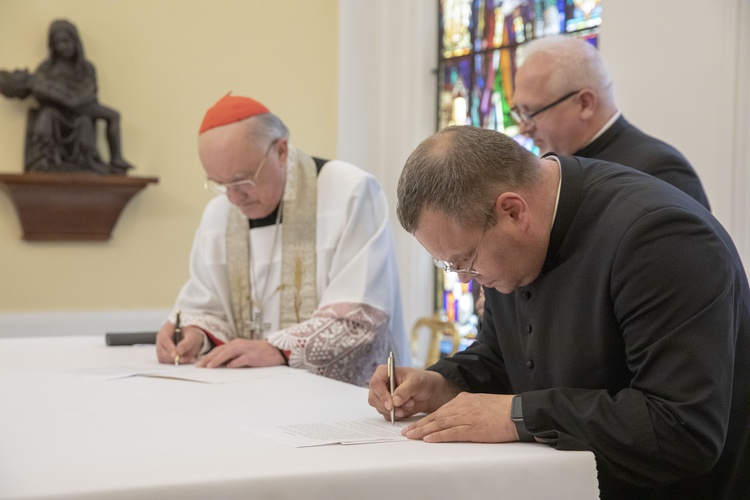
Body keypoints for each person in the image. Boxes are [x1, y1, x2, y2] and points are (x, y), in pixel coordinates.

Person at [368, 125, 749, 499]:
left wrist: (519, 415)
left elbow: (681, 429)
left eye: (465, 260)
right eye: (450, 267)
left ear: (513, 211)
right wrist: (442, 384)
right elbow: (502, 357)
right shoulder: (512, 247)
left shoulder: (660, 238)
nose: (467, 281)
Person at [155, 93, 410, 387]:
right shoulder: (219, 214)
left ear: (281, 150)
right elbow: (205, 305)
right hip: (246, 392)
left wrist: (275, 348)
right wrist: (193, 333)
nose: (233, 197)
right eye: (221, 184)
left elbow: (361, 317)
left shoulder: (349, 191)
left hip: (343, 400)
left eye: (242, 180)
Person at [511, 35, 710, 210]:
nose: (523, 128)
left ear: (585, 104)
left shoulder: (659, 170)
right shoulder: (557, 166)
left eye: (531, 112)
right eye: (519, 112)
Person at [23, 19, 132, 174]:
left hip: (82, 108)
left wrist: (73, 99)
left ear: (75, 42)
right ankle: (45, 158)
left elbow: (90, 91)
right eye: (57, 43)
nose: (62, 47)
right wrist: (59, 97)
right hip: (57, 111)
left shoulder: (86, 68)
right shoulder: (47, 68)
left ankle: (116, 158)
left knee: (113, 116)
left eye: (66, 41)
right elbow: (39, 92)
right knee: (47, 114)